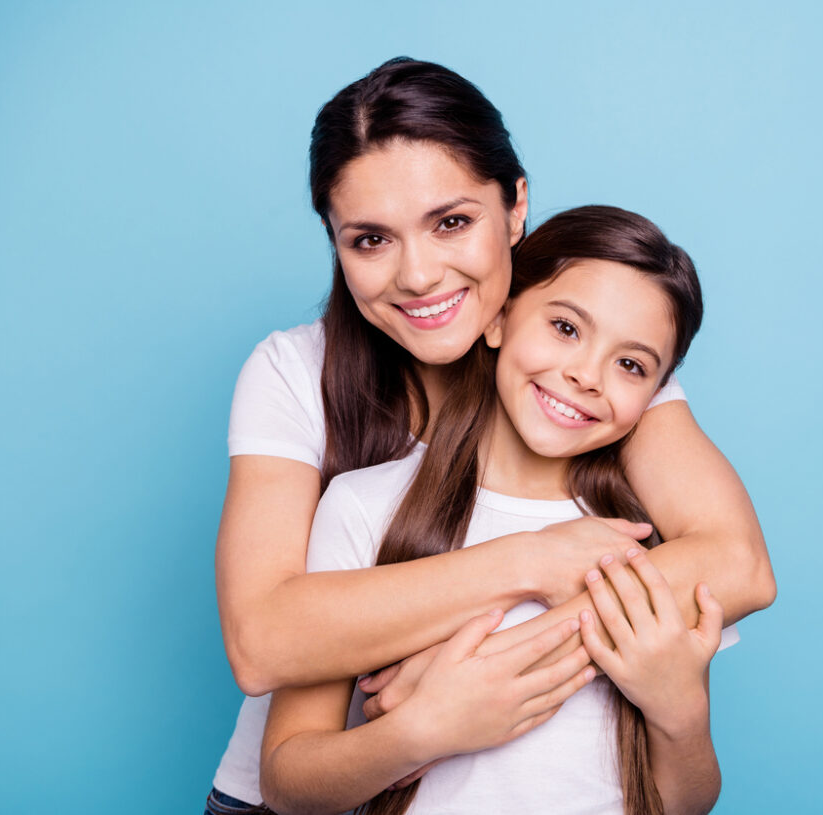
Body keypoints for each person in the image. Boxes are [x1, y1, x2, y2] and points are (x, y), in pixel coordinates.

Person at [207, 57, 775, 814]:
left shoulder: (585, 365)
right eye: (371, 240)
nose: (418, 275)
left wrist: (491, 668)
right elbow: (263, 641)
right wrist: (531, 567)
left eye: (452, 222)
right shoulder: (296, 376)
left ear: (515, 207)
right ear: (335, 243)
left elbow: (737, 563)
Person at [261, 206, 734, 815]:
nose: (586, 375)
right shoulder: (364, 507)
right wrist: (419, 731)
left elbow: (684, 803)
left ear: (656, 395)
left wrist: (682, 714)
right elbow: (286, 780)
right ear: (498, 321)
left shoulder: (652, 541)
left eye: (631, 364)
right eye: (566, 328)